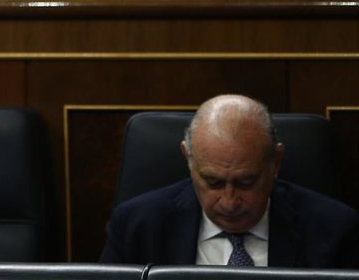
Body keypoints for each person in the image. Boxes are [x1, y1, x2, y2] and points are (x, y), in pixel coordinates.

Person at [100, 94, 358, 268]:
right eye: (213, 182)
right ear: (188, 160)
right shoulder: (137, 227)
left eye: (246, 182)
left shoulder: (334, 231)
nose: (229, 201)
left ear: (275, 163)